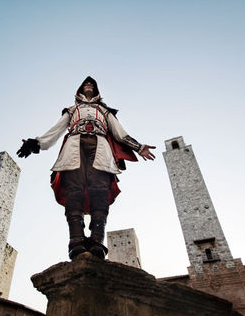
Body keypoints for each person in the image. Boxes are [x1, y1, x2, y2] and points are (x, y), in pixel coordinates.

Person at [17, 76, 155, 260]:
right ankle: (76, 241)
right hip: (74, 145)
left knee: (100, 191)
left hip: (100, 147)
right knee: (73, 191)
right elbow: (56, 130)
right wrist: (37, 144)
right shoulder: (72, 110)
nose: (88, 84)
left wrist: (139, 147)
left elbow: (120, 133)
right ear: (80, 90)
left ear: (96, 90)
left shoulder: (105, 111)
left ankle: (97, 241)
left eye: (92, 84)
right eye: (85, 84)